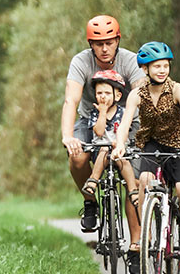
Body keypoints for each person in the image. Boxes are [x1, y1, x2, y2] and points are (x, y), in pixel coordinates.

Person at [111, 42, 180, 269]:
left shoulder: (177, 90)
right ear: (145, 69)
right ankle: (147, 234)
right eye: (156, 66)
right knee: (143, 179)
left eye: (165, 66)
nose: (162, 70)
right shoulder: (137, 94)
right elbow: (125, 124)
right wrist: (119, 146)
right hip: (152, 143)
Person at [62, 15, 144, 232]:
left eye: (109, 43)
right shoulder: (81, 62)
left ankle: (136, 246)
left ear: (118, 40)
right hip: (91, 119)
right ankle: (90, 202)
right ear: (91, 45)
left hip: (127, 121)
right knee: (77, 158)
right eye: (99, 44)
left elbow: (142, 95)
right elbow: (71, 99)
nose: (105, 48)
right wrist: (67, 135)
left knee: (132, 176)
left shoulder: (131, 61)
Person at [79, 69, 143, 274]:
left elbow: (128, 132)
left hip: (119, 152)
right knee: (106, 149)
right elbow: (98, 132)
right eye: (99, 93)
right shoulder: (95, 113)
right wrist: (103, 113)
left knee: (122, 159)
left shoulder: (125, 113)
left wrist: (120, 143)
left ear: (117, 95)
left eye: (107, 93)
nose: (102, 97)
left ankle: (132, 190)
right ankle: (93, 181)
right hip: (102, 152)